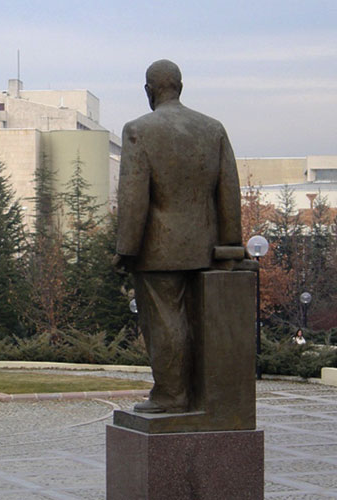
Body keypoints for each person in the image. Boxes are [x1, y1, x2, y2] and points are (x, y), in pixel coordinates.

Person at [114, 59, 242, 414]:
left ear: (148, 91)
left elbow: (134, 198)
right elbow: (229, 190)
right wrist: (231, 244)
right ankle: (203, 397)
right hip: (208, 247)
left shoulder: (138, 130)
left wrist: (126, 248)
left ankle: (171, 395)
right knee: (202, 321)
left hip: (158, 250)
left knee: (165, 321)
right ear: (180, 88)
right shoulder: (213, 129)